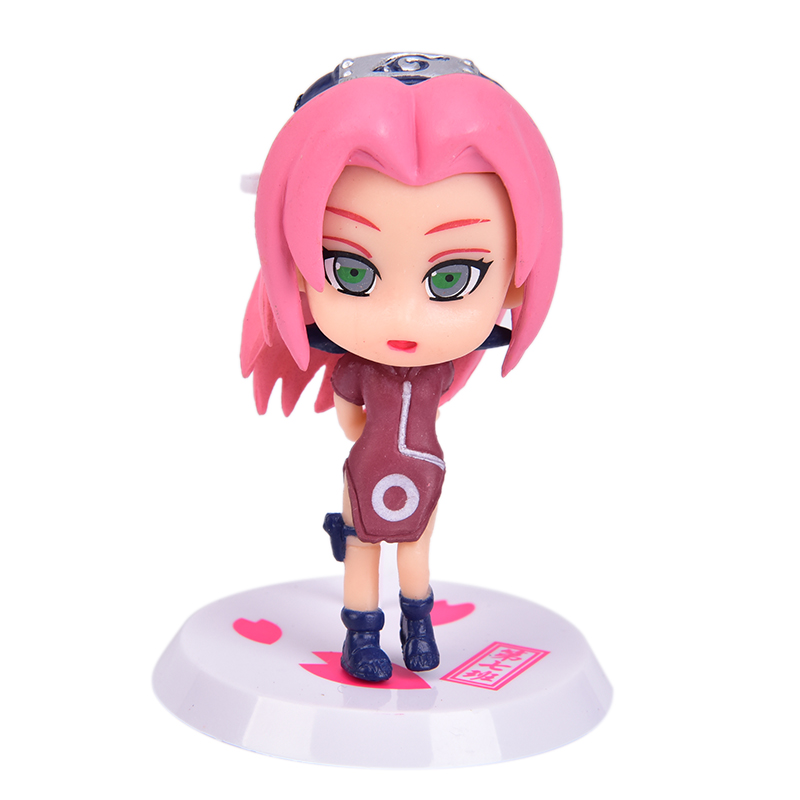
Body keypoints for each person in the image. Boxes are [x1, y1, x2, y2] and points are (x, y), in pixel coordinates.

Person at [241, 53, 562, 682]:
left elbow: (357, 421)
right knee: (367, 551)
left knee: (411, 551)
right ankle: (364, 636)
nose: (402, 318)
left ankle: (415, 627)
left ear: (515, 279)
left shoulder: (434, 374)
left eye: (451, 278)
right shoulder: (367, 373)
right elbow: (350, 419)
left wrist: (385, 434)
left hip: (418, 470)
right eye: (350, 271)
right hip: (381, 471)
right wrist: (382, 436)